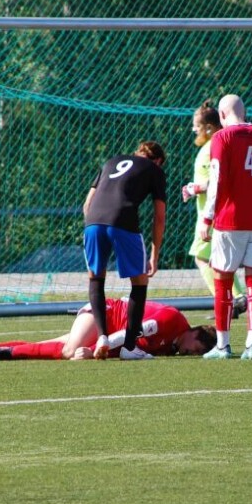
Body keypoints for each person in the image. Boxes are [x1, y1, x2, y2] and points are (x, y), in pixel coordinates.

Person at [198, 94, 252, 360]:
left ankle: (223, 346)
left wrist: (206, 219)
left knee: (223, 282)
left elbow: (217, 181)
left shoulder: (222, 138)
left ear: (222, 116)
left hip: (229, 221)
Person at [83, 141, 167, 361]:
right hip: (122, 220)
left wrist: (93, 225)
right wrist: (154, 255)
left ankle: (103, 337)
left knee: (95, 278)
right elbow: (159, 217)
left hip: (92, 221)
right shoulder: (154, 170)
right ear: (158, 161)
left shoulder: (112, 161)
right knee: (139, 282)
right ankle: (129, 347)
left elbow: (87, 203)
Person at [0, 298, 216, 361]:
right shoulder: (172, 322)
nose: (191, 353)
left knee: (54, 345)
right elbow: (130, 333)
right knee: (69, 350)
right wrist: (101, 346)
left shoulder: (172, 345)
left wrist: (101, 352)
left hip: (109, 333)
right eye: (196, 349)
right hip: (103, 313)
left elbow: (131, 351)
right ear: (195, 334)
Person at [181, 100, 247, 320]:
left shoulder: (214, 146)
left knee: (201, 257)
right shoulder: (213, 145)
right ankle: (235, 300)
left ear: (208, 127)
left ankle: (231, 300)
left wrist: (194, 188)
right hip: (213, 213)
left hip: (214, 214)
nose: (194, 131)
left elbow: (219, 181)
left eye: (197, 127)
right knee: (219, 261)